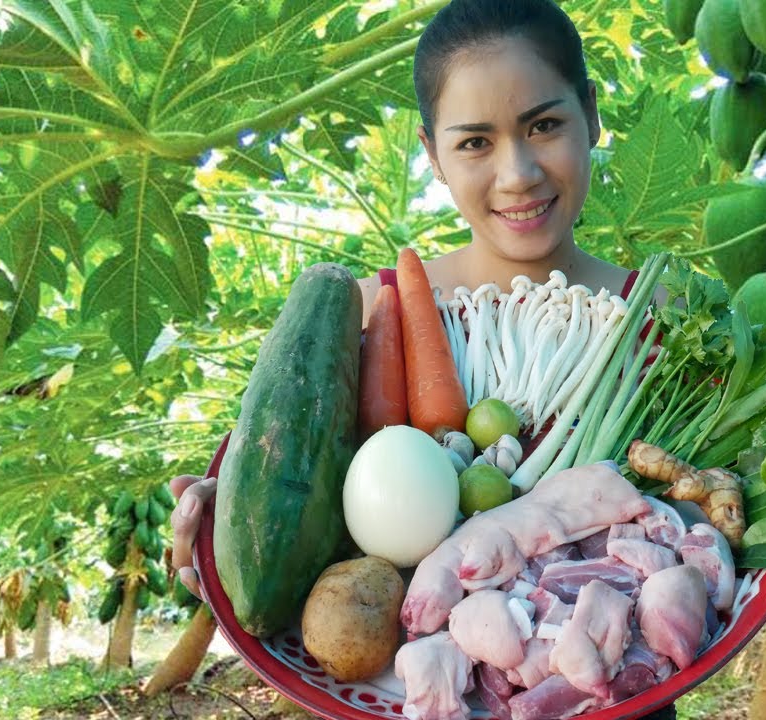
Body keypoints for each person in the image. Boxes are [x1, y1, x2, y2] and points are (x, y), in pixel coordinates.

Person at [170, 0, 678, 716]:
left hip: (615, 684)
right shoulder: (378, 320)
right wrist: (235, 527)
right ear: (433, 153)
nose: (519, 172)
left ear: (592, 114)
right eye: (474, 142)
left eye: (545, 124)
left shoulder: (666, 320)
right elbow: (306, 496)